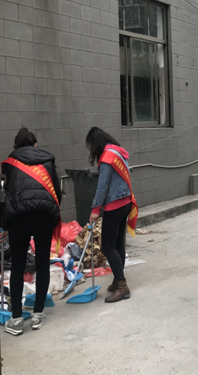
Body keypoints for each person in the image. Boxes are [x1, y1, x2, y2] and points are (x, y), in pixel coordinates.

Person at [0, 128, 62, 336]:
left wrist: (2, 224)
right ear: (35, 144)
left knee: (17, 266)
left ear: (16, 146)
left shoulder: (9, 163)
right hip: (44, 215)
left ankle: (16, 319)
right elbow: (56, 191)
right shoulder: (47, 160)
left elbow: (3, 195)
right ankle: (38, 314)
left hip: (18, 218)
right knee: (42, 264)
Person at [86, 127, 138, 303]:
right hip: (126, 202)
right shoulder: (117, 152)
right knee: (118, 244)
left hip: (114, 206)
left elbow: (102, 186)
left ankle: (122, 286)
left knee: (108, 247)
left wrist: (95, 210)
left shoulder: (107, 157)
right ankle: (117, 278)